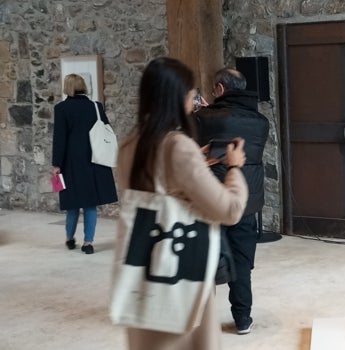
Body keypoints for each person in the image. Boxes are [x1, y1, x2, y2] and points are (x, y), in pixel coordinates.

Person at [115, 57, 248, 350]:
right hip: (179, 269)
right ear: (176, 97)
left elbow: (157, 187)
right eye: (192, 93)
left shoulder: (128, 146)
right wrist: (235, 168)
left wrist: (195, 162)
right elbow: (229, 210)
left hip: (142, 270)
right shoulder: (177, 146)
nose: (195, 99)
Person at [195, 67, 270, 335]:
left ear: (220, 89)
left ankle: (202, 322)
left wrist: (201, 112)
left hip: (213, 200)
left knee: (204, 261)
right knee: (241, 263)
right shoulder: (261, 122)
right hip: (247, 202)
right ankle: (243, 319)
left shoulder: (203, 118)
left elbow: (195, 147)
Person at [52, 73, 118, 254]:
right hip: (95, 160)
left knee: (73, 204)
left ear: (68, 87)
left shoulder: (62, 109)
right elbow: (106, 130)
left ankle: (70, 238)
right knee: (90, 204)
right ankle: (88, 243)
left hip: (71, 162)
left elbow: (60, 139)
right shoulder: (96, 106)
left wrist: (56, 163)